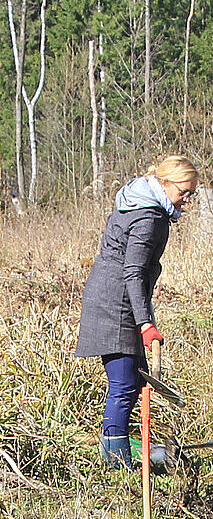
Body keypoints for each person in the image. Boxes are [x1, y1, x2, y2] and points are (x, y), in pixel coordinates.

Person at [75, 155, 199, 469]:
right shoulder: (150, 217)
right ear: (166, 183)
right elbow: (133, 272)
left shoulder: (138, 201)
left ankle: (129, 450)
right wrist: (145, 323)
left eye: (192, 193)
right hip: (115, 304)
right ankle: (116, 465)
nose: (188, 199)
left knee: (137, 382)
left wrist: (146, 320)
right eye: (184, 191)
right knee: (124, 384)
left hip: (116, 297)